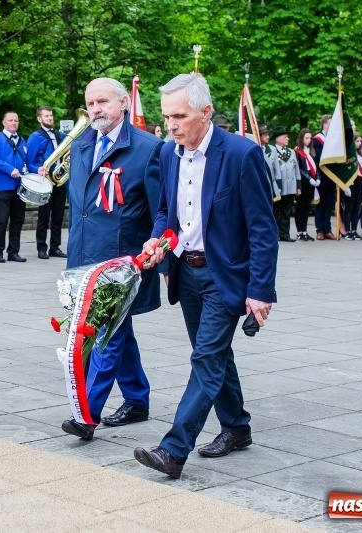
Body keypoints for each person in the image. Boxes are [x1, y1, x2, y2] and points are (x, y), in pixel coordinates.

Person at [133, 73, 277, 478]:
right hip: (185, 272)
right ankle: (237, 428)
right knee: (214, 354)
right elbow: (166, 212)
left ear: (206, 112)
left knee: (205, 358)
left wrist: (260, 290)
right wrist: (159, 245)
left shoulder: (241, 154)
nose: (170, 125)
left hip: (224, 275)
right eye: (166, 117)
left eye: (179, 116)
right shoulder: (167, 153)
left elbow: (263, 230)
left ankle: (173, 449)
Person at [59, 77, 162, 440]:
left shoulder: (149, 148)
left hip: (122, 263)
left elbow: (160, 209)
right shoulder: (81, 144)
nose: (96, 109)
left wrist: (154, 257)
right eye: (90, 103)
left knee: (105, 336)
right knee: (120, 330)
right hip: (84, 257)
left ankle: (87, 414)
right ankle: (137, 399)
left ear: (123, 103)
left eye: (103, 101)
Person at [27, 106, 68, 260]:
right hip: (45, 180)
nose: (50, 118)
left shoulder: (60, 135)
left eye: (51, 115)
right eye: (46, 116)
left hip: (60, 180)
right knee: (44, 215)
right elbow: (29, 161)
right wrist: (38, 169)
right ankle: (41, 247)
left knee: (58, 215)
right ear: (39, 119)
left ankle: (55, 247)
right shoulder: (35, 137)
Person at [0, 112, 28, 263]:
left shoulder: (22, 140)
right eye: (10, 120)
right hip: (2, 186)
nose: (13, 123)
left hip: (19, 187)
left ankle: (13, 251)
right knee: (2, 220)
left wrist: (37, 170)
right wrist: (10, 169)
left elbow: (27, 161)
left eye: (16, 120)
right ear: (4, 122)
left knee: (18, 220)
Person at [271, 126, 299, 242]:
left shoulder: (291, 152)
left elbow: (296, 169)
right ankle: (276, 234)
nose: (287, 138)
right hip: (278, 187)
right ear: (278, 139)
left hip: (290, 187)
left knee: (287, 212)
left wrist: (299, 185)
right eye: (285, 136)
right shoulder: (272, 151)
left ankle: (285, 234)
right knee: (276, 212)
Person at [312, 115, 336, 240]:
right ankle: (320, 229)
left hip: (332, 175)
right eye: (331, 124)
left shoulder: (334, 139)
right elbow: (319, 156)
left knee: (329, 203)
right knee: (320, 203)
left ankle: (328, 229)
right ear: (325, 125)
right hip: (322, 175)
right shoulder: (317, 139)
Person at [342, 135, 362, 240]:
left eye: (360, 141)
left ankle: (354, 230)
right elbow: (345, 170)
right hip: (351, 181)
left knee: (357, 208)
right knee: (349, 208)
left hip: (360, 181)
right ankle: (347, 231)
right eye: (357, 141)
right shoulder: (348, 154)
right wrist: (345, 186)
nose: (359, 143)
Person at [293, 128, 316, 241]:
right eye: (306, 138)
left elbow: (315, 167)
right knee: (300, 206)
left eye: (310, 138)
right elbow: (299, 169)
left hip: (311, 183)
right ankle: (299, 231)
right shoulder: (298, 152)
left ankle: (305, 231)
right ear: (301, 139)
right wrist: (309, 178)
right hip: (303, 182)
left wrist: (317, 178)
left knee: (307, 207)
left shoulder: (311, 151)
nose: (308, 140)